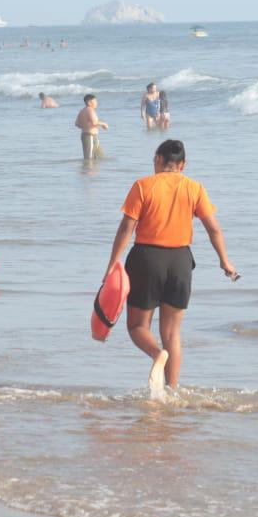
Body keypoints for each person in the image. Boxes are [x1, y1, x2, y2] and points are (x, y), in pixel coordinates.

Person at [103, 140, 236, 395]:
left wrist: (112, 265)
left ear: (157, 160)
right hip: (180, 262)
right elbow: (213, 228)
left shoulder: (143, 186)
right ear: (183, 165)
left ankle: (156, 354)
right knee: (172, 333)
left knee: (137, 327)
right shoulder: (194, 188)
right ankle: (171, 392)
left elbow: (126, 228)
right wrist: (224, 261)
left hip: (146, 259)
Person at [75, 94, 108, 160]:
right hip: (89, 136)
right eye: (95, 101)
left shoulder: (82, 111)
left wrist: (86, 125)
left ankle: (95, 170)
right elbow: (94, 122)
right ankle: (88, 170)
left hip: (92, 136)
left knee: (100, 157)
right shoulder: (90, 110)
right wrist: (103, 124)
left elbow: (77, 124)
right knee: (89, 158)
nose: (97, 103)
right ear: (89, 102)